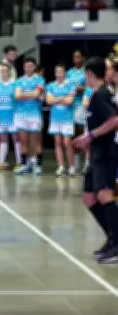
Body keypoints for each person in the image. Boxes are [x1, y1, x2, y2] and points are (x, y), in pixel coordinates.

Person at [73, 57, 118, 264]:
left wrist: (90, 137)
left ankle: (117, 243)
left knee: (105, 195)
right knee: (89, 198)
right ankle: (112, 237)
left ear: (89, 73)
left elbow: (115, 120)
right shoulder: (95, 95)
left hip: (106, 153)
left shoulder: (101, 95)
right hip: (96, 154)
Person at [14, 57, 45, 175]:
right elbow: (17, 96)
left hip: (34, 115)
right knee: (23, 141)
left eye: (31, 66)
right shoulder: (19, 81)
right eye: (26, 66)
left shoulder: (40, 80)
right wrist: (31, 94)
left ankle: (37, 165)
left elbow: (37, 94)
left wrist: (24, 94)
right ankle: (24, 165)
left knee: (36, 141)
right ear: (24, 67)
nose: (28, 68)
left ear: (34, 67)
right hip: (21, 115)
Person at [46, 64, 77, 177]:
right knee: (58, 142)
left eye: (61, 72)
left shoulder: (70, 85)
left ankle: (72, 167)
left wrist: (56, 99)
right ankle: (61, 167)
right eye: (57, 72)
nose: (59, 74)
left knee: (67, 142)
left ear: (64, 73)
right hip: (55, 118)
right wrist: (63, 98)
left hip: (67, 118)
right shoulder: (50, 86)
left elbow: (70, 101)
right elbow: (48, 101)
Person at [0, 64, 18, 169]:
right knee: (3, 140)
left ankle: (20, 162)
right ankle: (1, 162)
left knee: (16, 140)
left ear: (9, 72)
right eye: (1, 71)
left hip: (13, 116)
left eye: (5, 71)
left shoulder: (15, 84)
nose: (3, 73)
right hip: (1, 117)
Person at [67, 50, 88, 170]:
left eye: (78, 57)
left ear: (83, 58)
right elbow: (66, 86)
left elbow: (88, 87)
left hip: (82, 105)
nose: (76, 59)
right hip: (70, 106)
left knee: (83, 134)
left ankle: (86, 162)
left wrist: (77, 89)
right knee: (72, 134)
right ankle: (75, 163)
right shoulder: (69, 72)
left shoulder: (86, 71)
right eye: (74, 56)